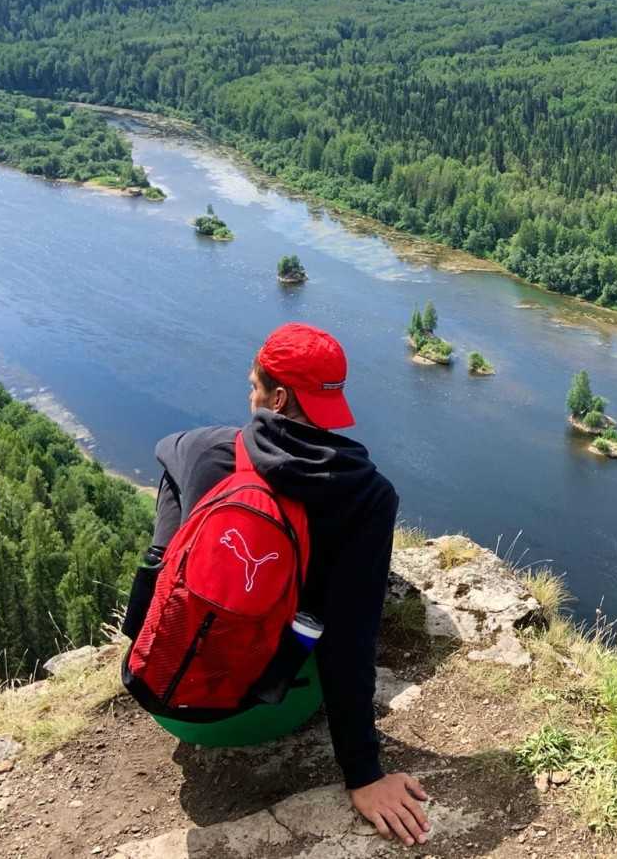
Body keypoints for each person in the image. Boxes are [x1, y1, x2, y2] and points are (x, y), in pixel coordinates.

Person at [150, 321, 430, 847]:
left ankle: (158, 627)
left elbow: (166, 450)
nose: (250, 396)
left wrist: (168, 549)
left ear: (277, 399)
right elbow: (350, 644)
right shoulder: (366, 497)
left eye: (254, 388)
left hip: (168, 695)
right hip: (263, 709)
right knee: (332, 608)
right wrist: (364, 775)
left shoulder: (209, 449)